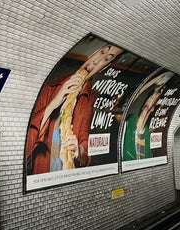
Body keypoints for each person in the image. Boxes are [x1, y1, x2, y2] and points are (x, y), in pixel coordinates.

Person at [26, 44, 124, 175]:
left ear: (105, 67)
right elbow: (26, 146)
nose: (97, 61)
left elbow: (84, 144)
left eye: (106, 59)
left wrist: (78, 150)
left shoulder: (89, 98)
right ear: (93, 53)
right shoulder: (50, 88)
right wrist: (54, 103)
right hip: (42, 175)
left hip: (67, 175)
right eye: (101, 53)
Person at [123, 71, 174, 160]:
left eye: (155, 96)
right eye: (150, 96)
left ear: (154, 107)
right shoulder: (131, 121)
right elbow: (133, 97)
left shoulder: (146, 132)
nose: (151, 97)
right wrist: (154, 81)